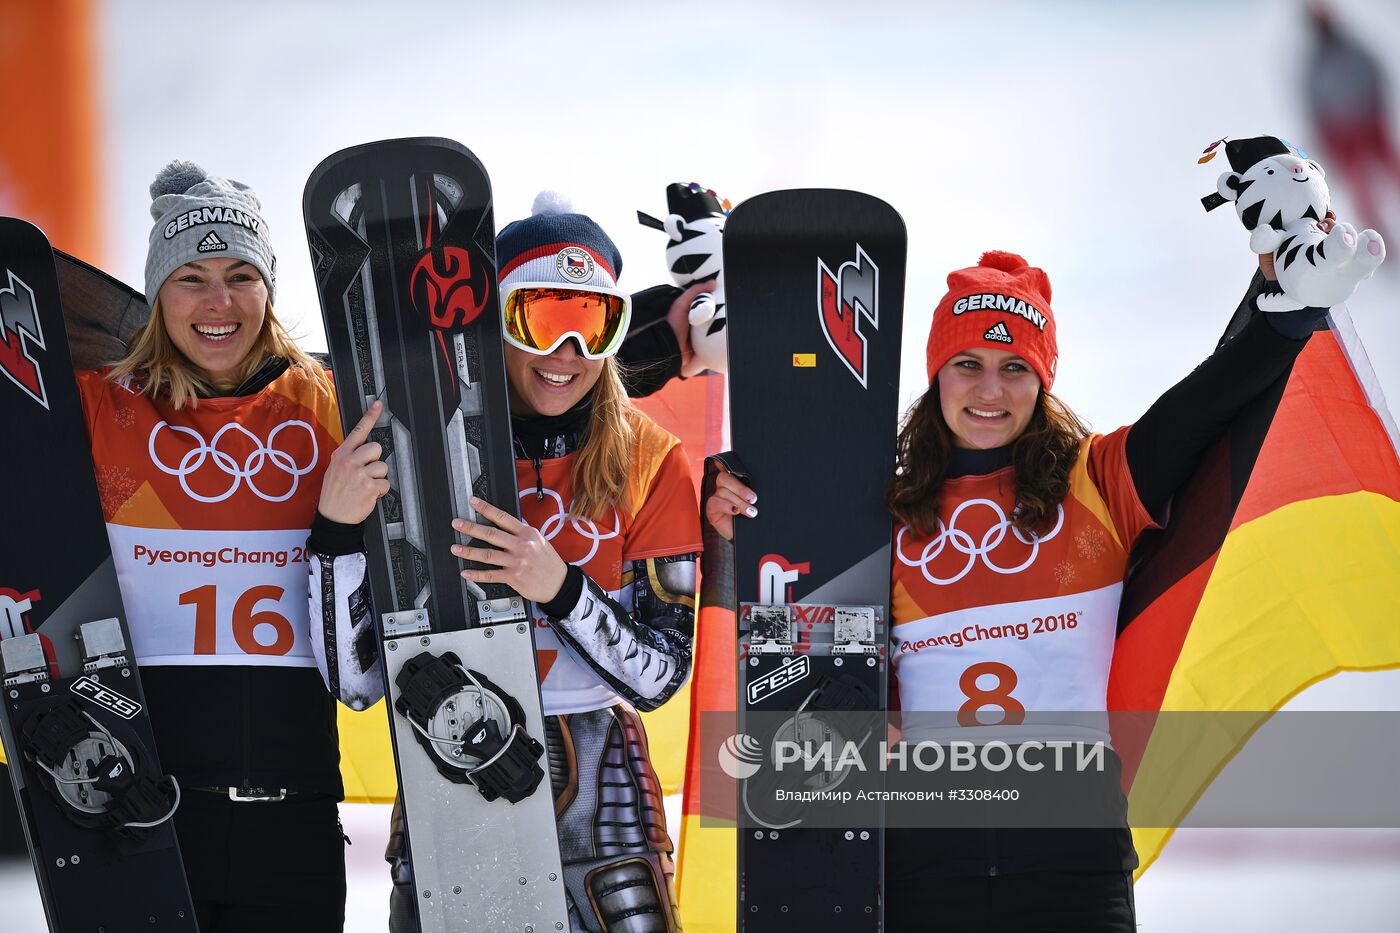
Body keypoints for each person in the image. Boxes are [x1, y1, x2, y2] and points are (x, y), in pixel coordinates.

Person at [706, 245, 1332, 931]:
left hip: (1072, 866)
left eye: (1015, 369)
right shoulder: (883, 515)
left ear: (1044, 381)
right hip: (924, 864)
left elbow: (1208, 401)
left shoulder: (1100, 483)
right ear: (936, 373)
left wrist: (1290, 307)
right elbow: (795, 649)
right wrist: (744, 529)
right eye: (967, 364)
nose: (989, 391)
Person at [313, 201, 702, 932]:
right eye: (538, 318)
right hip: (449, 770)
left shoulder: (652, 459)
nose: (566, 351)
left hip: (603, 795)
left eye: (592, 325)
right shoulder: (418, 445)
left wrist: (557, 587)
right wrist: (334, 533)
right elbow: (357, 681)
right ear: (488, 322)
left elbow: (660, 677)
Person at [75, 161, 390, 931]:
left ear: (269, 289)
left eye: (241, 274)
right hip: (141, 814)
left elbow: (527, 398)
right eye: (192, 276)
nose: (219, 302)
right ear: (156, 293)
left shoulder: (336, 407)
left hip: (294, 820)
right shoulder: (98, 408)